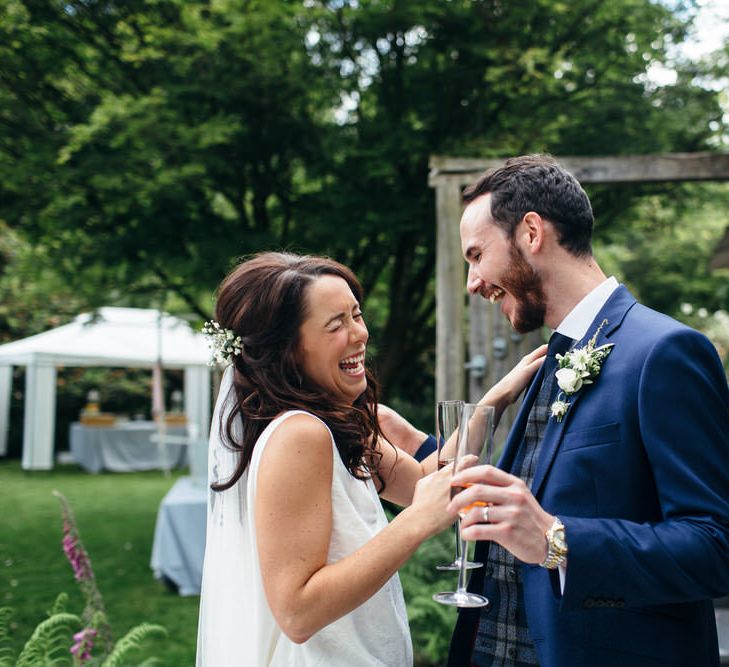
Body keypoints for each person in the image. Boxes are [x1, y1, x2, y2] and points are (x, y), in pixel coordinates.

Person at [195, 251, 544, 666]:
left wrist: (495, 399)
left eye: (356, 315)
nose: (359, 334)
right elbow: (297, 612)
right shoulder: (299, 435)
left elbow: (420, 480)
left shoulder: (332, 420)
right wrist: (416, 525)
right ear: (287, 349)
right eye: (335, 324)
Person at [446, 154, 729, 667]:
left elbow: (715, 545)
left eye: (476, 254)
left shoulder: (665, 352)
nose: (473, 281)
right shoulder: (549, 359)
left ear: (531, 232)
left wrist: (560, 541)